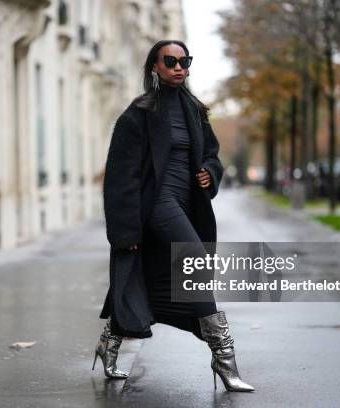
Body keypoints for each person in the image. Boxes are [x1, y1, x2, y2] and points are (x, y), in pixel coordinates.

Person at [93, 40, 254, 392]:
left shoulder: (195, 110)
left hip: (186, 206)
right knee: (196, 264)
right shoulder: (139, 114)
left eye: (185, 61)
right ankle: (225, 361)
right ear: (154, 66)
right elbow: (120, 178)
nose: (179, 67)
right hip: (157, 205)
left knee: (148, 283)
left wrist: (209, 172)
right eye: (171, 61)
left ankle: (109, 342)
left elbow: (212, 154)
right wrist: (124, 233)